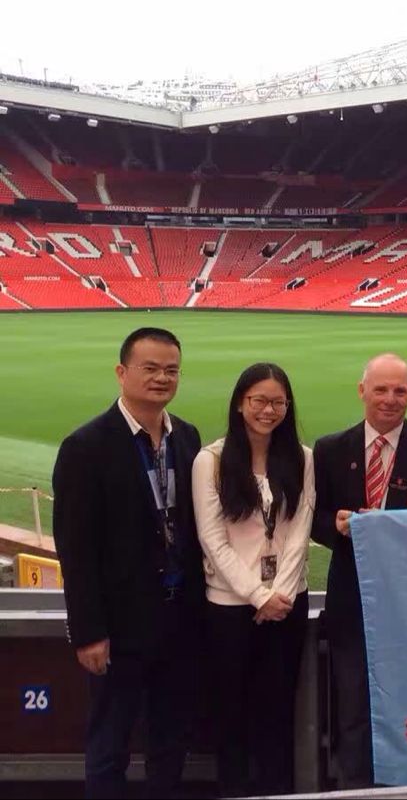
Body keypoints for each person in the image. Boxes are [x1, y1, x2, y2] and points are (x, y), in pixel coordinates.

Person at [52, 327, 204, 799]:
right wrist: (89, 632)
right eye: (150, 368)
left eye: (171, 370)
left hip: (178, 618)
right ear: (122, 372)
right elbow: (75, 549)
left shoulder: (187, 438)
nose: (162, 378)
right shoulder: (86, 447)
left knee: (170, 739)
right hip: (119, 626)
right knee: (110, 743)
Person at [311, 353, 407, 789]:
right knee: (353, 703)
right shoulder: (330, 449)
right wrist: (336, 526)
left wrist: (402, 528)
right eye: (380, 389)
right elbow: (313, 518)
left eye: (399, 391)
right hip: (352, 598)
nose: (390, 399)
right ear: (362, 391)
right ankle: (356, 787)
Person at [192, 363, 314, 796]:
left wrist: (279, 593)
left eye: (278, 402)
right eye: (259, 400)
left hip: (287, 603)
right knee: (232, 716)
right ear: (240, 403)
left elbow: (299, 530)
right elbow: (212, 539)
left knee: (277, 715)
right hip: (230, 606)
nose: (268, 410)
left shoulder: (302, 457)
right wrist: (257, 594)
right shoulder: (211, 461)